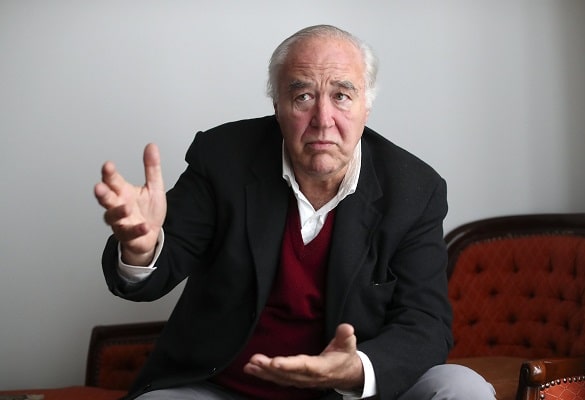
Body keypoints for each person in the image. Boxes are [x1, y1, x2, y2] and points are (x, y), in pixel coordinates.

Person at [94, 25, 495, 400]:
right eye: (303, 96)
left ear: (366, 106)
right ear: (278, 106)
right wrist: (142, 250)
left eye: (341, 95)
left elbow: (425, 323)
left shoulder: (413, 190)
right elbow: (159, 271)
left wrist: (356, 370)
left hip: (351, 392)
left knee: (463, 388)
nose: (323, 120)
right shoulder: (223, 159)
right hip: (224, 388)